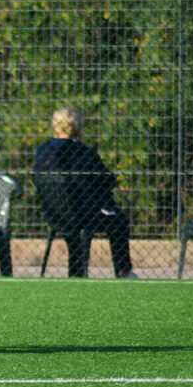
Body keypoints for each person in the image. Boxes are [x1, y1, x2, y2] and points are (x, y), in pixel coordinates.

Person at [33, 107, 136, 278]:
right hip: (84, 216)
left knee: (77, 223)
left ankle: (76, 272)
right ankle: (123, 270)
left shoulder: (42, 151)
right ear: (78, 127)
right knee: (118, 220)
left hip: (54, 216)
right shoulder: (85, 153)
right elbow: (107, 181)